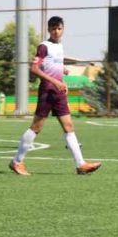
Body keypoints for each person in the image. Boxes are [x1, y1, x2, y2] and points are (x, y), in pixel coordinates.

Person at [9, 16, 101, 177]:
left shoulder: (60, 46)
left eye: (59, 28)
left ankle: (81, 165)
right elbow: (35, 69)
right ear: (48, 29)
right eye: (53, 28)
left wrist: (62, 70)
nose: (56, 31)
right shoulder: (43, 47)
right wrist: (55, 81)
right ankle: (17, 161)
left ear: (63, 29)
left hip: (59, 92)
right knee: (36, 127)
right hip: (47, 91)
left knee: (69, 127)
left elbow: (54, 62)